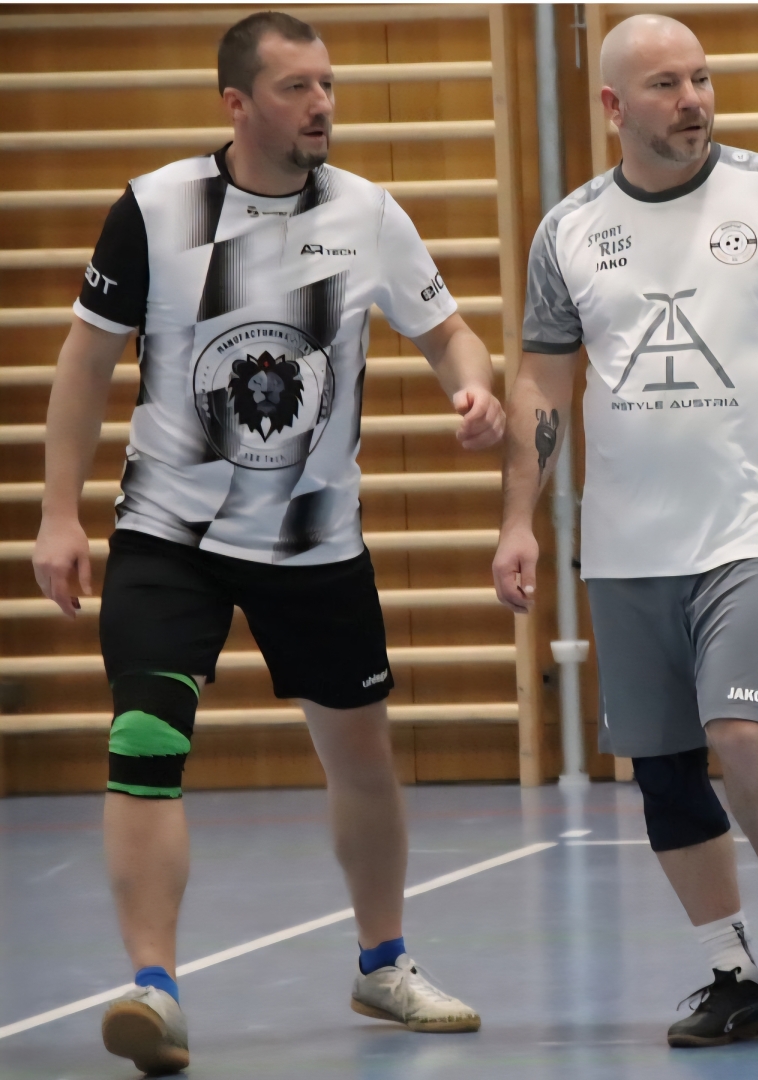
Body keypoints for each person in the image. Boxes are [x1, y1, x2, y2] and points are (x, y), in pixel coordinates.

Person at [31, 13, 498, 1075]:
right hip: (171, 533)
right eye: (296, 88)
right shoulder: (155, 209)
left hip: (314, 538)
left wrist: (470, 388)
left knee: (360, 757)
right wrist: (59, 513)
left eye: (327, 84)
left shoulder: (368, 214)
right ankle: (154, 990)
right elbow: (85, 362)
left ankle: (383, 962)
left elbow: (449, 330)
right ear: (237, 104)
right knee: (145, 739)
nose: (321, 105)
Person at [493, 13, 758, 1048]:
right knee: (667, 768)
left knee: (739, 728)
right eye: (667, 85)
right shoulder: (570, 231)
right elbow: (542, 380)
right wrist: (518, 521)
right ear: (612, 106)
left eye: (702, 79)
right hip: (627, 541)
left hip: (753, 522)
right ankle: (733, 972)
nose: (693, 101)